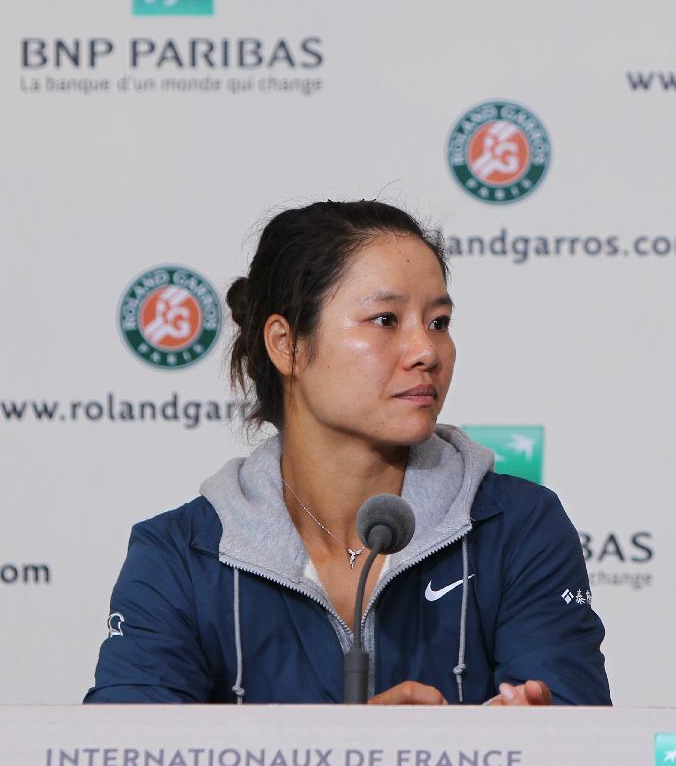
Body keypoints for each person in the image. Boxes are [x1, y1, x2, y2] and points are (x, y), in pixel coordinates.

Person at [84, 200, 611, 707]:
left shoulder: (518, 527)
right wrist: (353, 758)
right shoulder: (180, 555)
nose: (426, 351)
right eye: (385, 320)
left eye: (439, 322)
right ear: (286, 344)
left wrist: (514, 743)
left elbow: (574, 762)